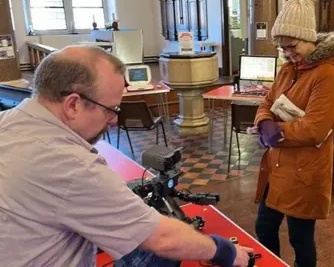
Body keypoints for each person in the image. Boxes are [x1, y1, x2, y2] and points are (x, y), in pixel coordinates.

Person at [0, 45, 252, 267]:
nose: (114, 121)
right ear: (73, 104)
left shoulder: (8, 121)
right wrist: (227, 252)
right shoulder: (68, 164)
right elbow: (163, 239)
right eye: (111, 110)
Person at [253, 0, 334, 266]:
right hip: (277, 168)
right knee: (264, 228)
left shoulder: (328, 75)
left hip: (305, 171)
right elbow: (266, 103)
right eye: (282, 47)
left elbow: (316, 130)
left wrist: (275, 130)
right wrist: (263, 123)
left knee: (300, 238)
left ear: (309, 40)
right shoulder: (287, 69)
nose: (287, 52)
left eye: (291, 46)